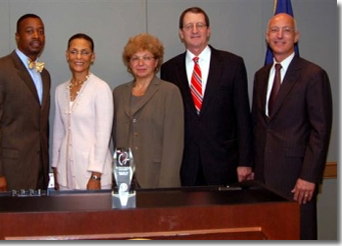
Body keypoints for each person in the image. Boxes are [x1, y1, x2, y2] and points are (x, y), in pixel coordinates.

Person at [252, 13, 332, 240]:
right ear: (267, 37)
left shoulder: (313, 75)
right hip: (264, 181)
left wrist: (309, 176)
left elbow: (320, 131)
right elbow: (259, 125)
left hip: (297, 181)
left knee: (298, 234)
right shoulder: (261, 76)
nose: (279, 36)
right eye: (274, 31)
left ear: (296, 37)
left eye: (286, 30)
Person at [160, 7, 253, 186]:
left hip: (224, 163)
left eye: (200, 25)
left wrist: (245, 161)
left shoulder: (232, 64)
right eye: (189, 26)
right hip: (185, 165)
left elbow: (243, 115)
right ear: (181, 33)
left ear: (208, 30)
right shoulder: (170, 69)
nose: (195, 31)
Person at [0, 13, 51, 191]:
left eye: (40, 31)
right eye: (29, 31)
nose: (36, 36)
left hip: (38, 173)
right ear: (17, 36)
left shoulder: (44, 75)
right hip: (8, 174)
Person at [113, 33, 184, 188]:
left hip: (156, 178)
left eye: (146, 57)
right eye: (135, 58)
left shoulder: (169, 92)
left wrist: (167, 184)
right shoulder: (119, 93)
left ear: (156, 61)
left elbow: (174, 144)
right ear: (129, 63)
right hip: (125, 178)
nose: (140, 63)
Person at [51, 33, 113, 190]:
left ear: (92, 57)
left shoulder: (101, 88)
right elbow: (58, 132)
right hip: (65, 172)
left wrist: (95, 175)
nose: (78, 56)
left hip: (92, 174)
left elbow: (103, 135)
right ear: (67, 55)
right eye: (74, 51)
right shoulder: (60, 90)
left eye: (84, 52)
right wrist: (55, 168)